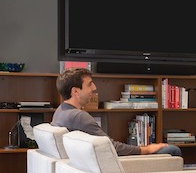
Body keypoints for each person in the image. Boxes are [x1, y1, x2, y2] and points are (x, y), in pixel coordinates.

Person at [51, 67, 182, 157]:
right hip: (118, 166)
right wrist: (146, 149)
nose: (94, 88)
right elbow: (111, 148)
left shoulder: (61, 111)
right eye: (89, 84)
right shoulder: (78, 116)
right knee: (172, 150)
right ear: (75, 91)